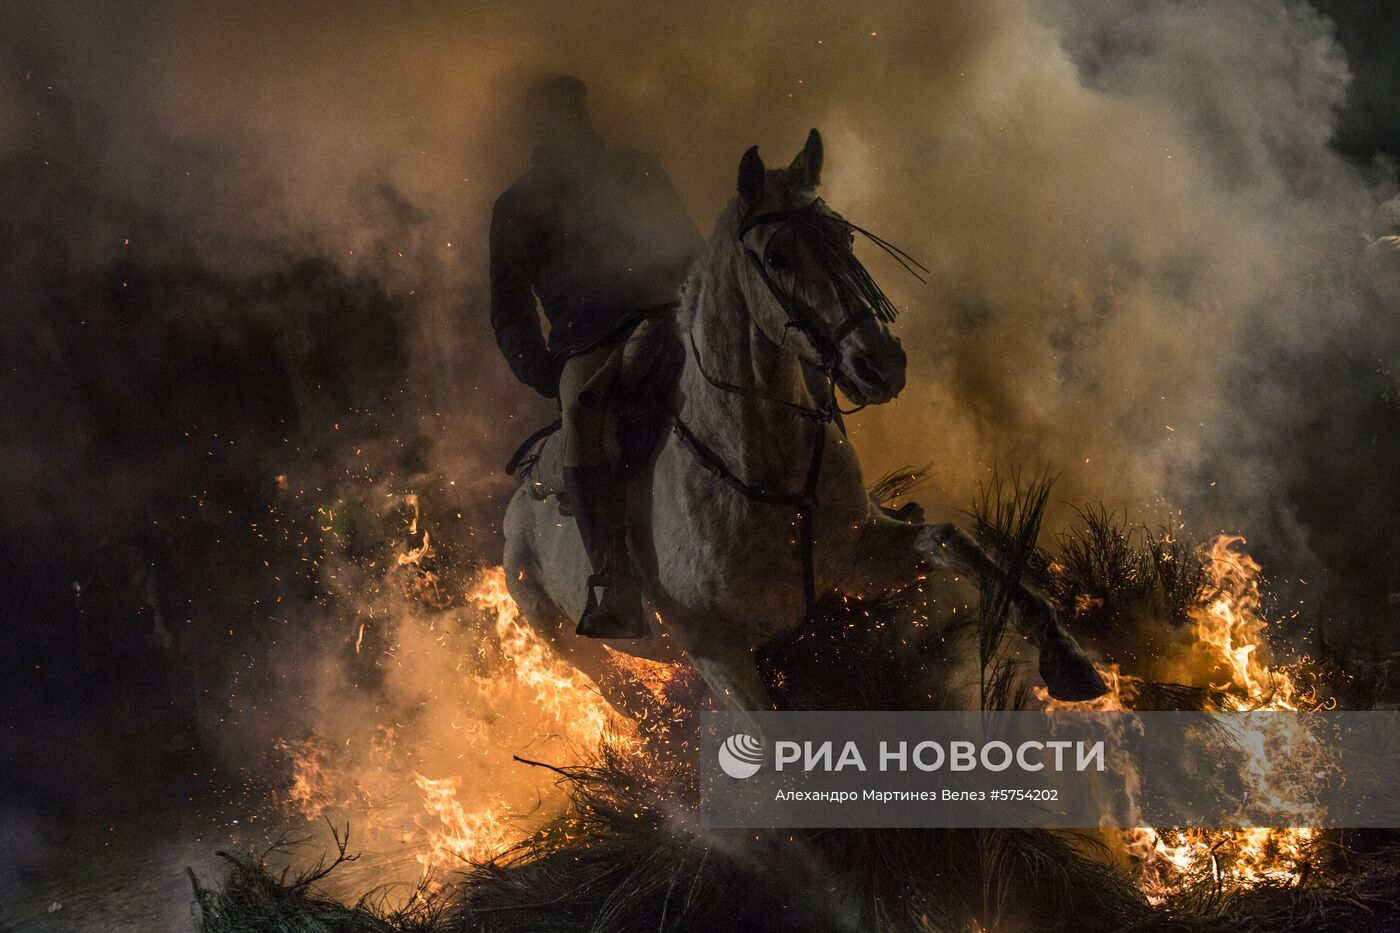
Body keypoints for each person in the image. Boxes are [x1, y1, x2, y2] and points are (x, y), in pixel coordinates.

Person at [489, 74, 702, 638]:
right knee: (583, 416)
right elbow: (509, 310)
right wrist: (543, 371)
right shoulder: (515, 208)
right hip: (591, 344)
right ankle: (615, 581)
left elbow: (689, 251)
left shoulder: (639, 171)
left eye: (572, 113)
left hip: (670, 317)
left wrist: (701, 309)